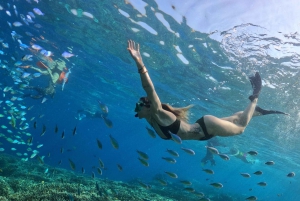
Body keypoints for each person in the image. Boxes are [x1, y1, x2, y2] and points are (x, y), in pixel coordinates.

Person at [127, 40, 288, 141]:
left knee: (240, 128)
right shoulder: (150, 118)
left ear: (148, 105)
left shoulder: (157, 113)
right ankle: (256, 111)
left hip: (206, 127)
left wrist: (140, 63)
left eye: (138, 105)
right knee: (234, 118)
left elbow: (149, 89)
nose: (136, 108)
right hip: (203, 130)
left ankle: (256, 96)